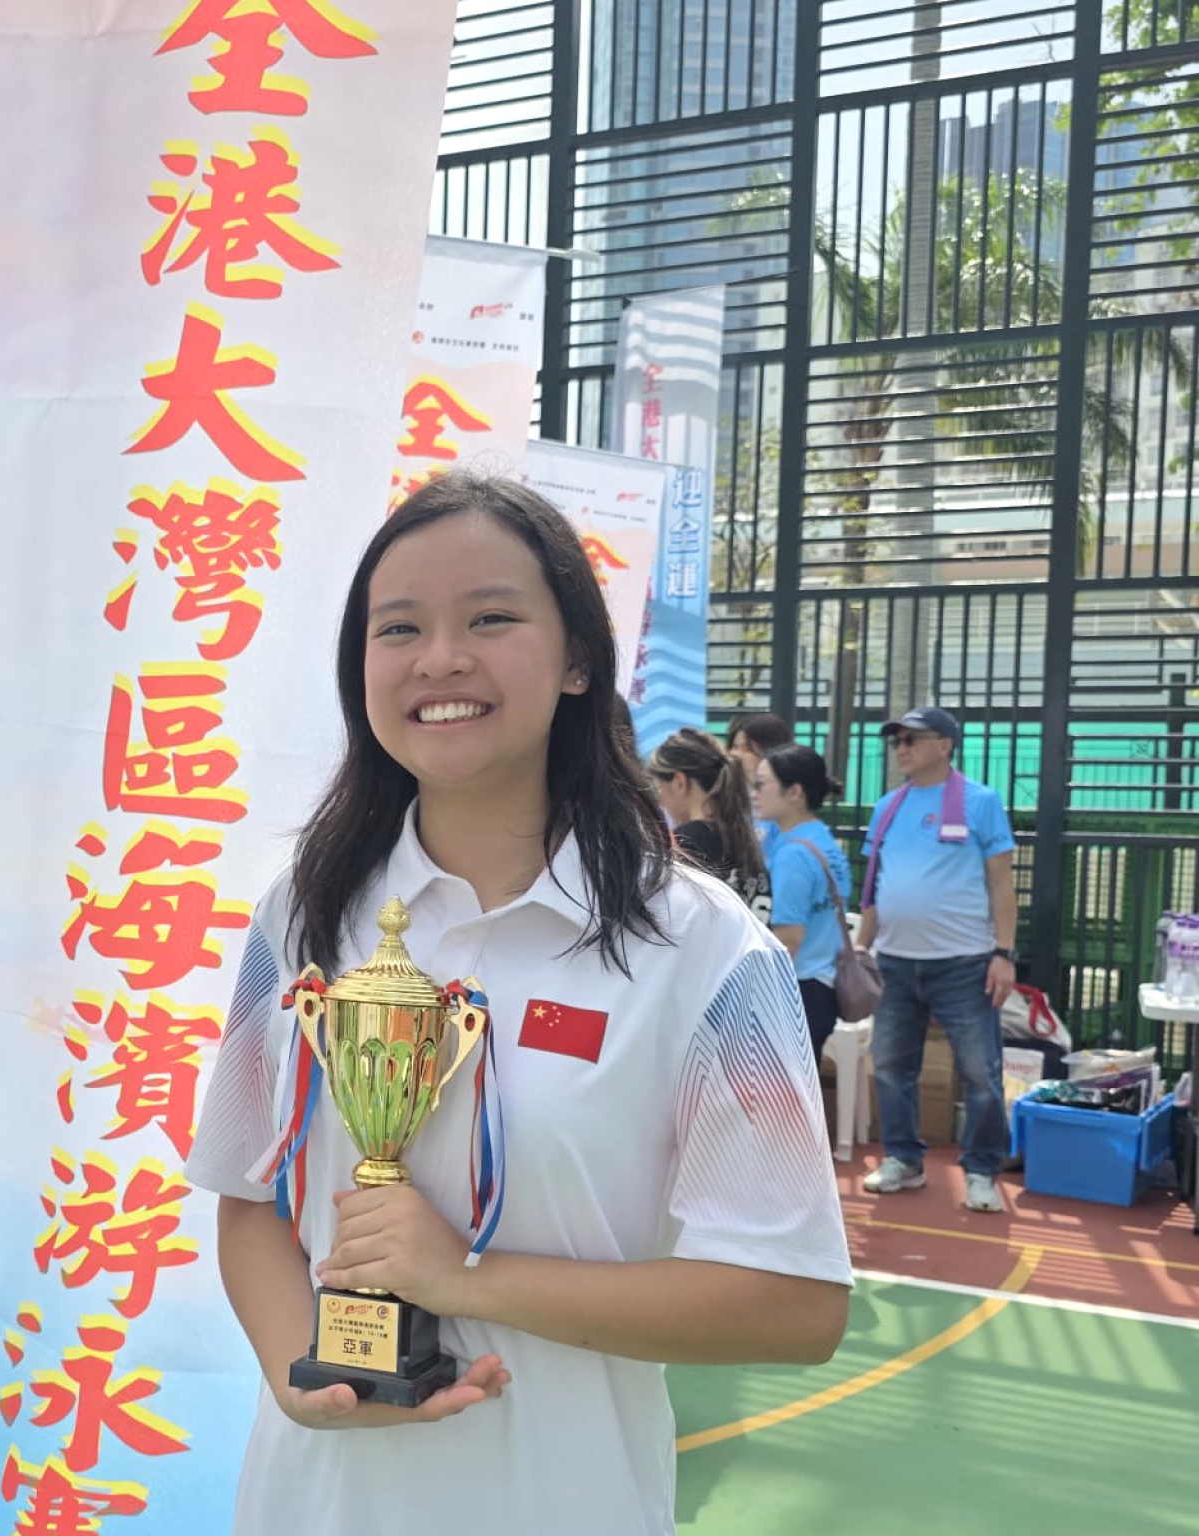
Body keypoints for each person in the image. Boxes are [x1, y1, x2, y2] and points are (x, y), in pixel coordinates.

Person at [185, 474, 850, 1535]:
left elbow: (794, 1304)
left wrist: (467, 1278)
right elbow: (250, 1201)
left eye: (490, 619)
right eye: (398, 628)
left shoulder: (701, 946)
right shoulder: (303, 913)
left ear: (579, 659)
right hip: (309, 1506)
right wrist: (295, 1376)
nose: (440, 659)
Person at [854, 706, 1017, 1213]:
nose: (900, 747)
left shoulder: (981, 802)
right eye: (896, 740)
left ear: (945, 745)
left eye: (911, 738)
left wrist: (1003, 954)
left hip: (965, 963)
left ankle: (982, 1169)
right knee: (889, 1065)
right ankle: (904, 1159)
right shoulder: (887, 806)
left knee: (980, 1072)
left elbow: (1001, 882)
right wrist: (861, 948)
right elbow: (874, 888)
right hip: (895, 962)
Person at [754, 744, 851, 1063]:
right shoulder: (821, 839)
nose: (754, 793)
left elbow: (788, 941)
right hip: (821, 986)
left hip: (795, 991)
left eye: (761, 784)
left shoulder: (793, 855)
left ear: (794, 792)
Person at [647, 727, 771, 923]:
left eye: (659, 788)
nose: (660, 799)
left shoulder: (685, 843)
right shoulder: (744, 837)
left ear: (679, 782)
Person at [727, 711, 794, 855]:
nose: (735, 754)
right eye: (735, 747)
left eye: (746, 749)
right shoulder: (732, 795)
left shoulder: (781, 804)